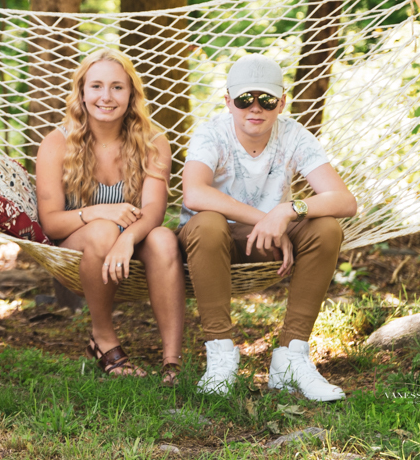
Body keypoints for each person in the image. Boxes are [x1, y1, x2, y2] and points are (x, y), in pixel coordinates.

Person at [179, 54, 358, 401]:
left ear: (282, 102)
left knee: (327, 228)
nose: (255, 108)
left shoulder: (293, 135)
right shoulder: (211, 133)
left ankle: (291, 357)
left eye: (267, 99)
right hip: (212, 241)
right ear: (228, 101)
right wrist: (264, 217)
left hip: (268, 239)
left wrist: (290, 210)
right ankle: (220, 356)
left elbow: (344, 200)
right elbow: (194, 192)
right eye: (245, 99)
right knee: (209, 222)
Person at [35, 48, 185, 383]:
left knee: (162, 239)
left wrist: (127, 238)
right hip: (80, 241)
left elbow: (154, 213)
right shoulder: (56, 144)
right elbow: (52, 222)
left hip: (132, 236)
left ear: (131, 93)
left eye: (117, 87)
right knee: (103, 230)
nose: (107, 96)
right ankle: (103, 338)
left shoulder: (153, 142)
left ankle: (171, 361)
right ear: (82, 93)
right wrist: (100, 213)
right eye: (97, 86)